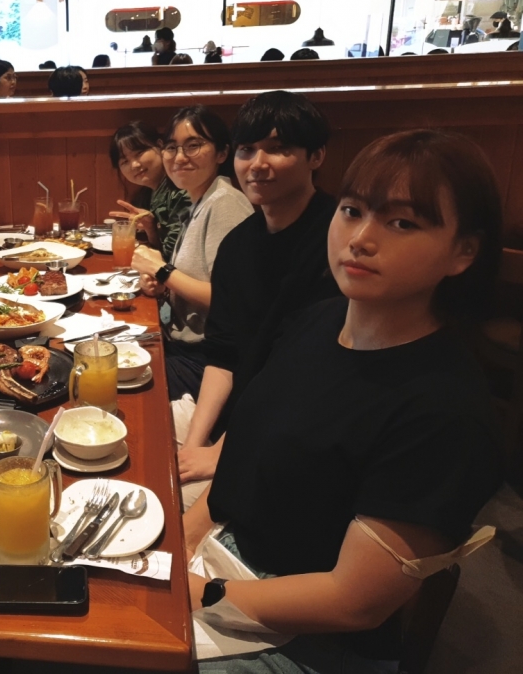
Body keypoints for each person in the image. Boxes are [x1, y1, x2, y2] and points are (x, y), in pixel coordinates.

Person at [186, 130, 503, 672]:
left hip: (313, 637)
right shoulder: (318, 321)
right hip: (231, 559)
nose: (360, 238)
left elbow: (353, 603)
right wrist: (180, 542)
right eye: (352, 211)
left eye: (402, 223)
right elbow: (242, 456)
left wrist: (196, 593)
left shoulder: (447, 409)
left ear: (463, 251)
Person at [176, 91, 341, 493]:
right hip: (239, 420)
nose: (257, 164)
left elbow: (309, 377)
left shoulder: (339, 242)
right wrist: (195, 445)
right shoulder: (238, 245)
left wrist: (224, 452)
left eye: (278, 149)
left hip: (300, 434)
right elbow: (223, 356)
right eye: (247, 149)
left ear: (316, 156)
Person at [130, 107, 253, 403]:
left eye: (193, 145)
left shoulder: (225, 204)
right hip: (182, 346)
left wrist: (162, 271)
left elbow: (231, 301)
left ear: (222, 153)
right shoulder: (200, 200)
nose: (179, 157)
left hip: (207, 362)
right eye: (171, 147)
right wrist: (162, 285)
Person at [107, 120, 191, 260]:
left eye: (139, 153)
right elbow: (163, 255)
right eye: (125, 161)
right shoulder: (149, 194)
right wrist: (150, 229)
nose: (134, 165)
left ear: (160, 145)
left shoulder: (180, 191)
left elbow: (173, 258)